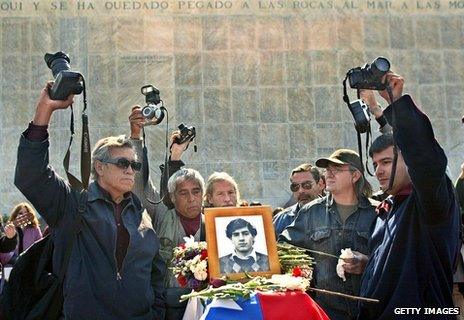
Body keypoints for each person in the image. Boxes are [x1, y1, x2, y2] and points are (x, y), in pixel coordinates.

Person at [14, 82, 165, 319]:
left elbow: (155, 272)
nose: (130, 170)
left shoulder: (141, 213)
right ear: (99, 167)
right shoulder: (72, 205)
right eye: (123, 163)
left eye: (134, 165)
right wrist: (44, 111)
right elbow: (31, 175)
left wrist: (156, 313)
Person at [358, 73, 461, 319]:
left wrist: (396, 103)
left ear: (409, 162)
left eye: (386, 162)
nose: (379, 171)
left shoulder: (432, 202)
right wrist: (368, 265)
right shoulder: (389, 208)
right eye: (375, 163)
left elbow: (425, 157)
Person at [279, 149, 377, 320]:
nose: (329, 175)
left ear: (355, 176)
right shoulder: (311, 212)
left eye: (337, 170)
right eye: (327, 170)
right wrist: (302, 273)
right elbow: (284, 249)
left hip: (369, 311)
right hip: (325, 312)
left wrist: (368, 263)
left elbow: (393, 260)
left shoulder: (377, 212)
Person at [152, 168, 205, 320]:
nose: (191, 198)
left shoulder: (212, 222)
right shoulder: (161, 216)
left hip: (205, 300)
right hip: (170, 302)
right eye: (183, 193)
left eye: (196, 191)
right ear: (173, 197)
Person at [273, 163, 325, 236]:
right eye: (295, 186)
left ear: (320, 184)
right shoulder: (281, 220)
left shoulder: (335, 216)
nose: (300, 191)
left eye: (307, 185)